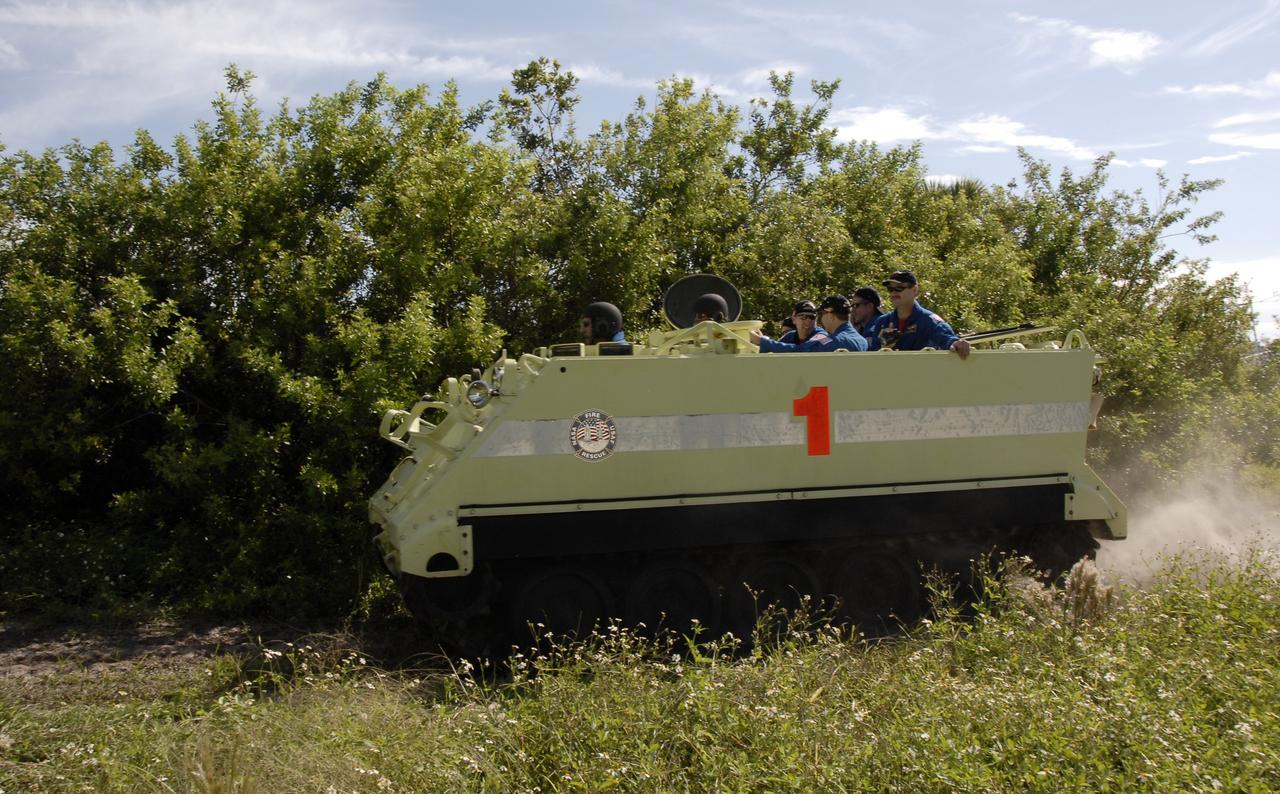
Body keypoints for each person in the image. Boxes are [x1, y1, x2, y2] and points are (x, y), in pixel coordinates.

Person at [865, 270, 970, 358]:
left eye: (899, 288)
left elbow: (946, 338)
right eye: (890, 289)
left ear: (915, 290)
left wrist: (955, 343)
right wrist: (884, 348)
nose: (893, 293)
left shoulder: (929, 320)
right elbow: (872, 357)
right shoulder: (883, 322)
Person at [750, 295, 868, 352]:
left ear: (830, 315)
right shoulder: (861, 340)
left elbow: (799, 351)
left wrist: (761, 341)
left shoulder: (830, 340)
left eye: (820, 314)